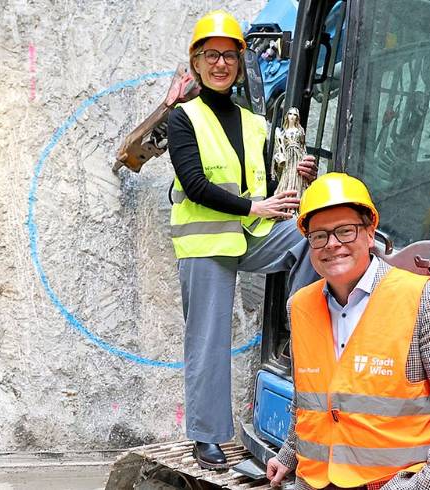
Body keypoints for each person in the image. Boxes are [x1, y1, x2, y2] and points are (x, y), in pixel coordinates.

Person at [265, 174, 430, 490]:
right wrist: (288, 455)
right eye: (319, 235)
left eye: (345, 231)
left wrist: (427, 484)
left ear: (370, 232)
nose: (332, 244)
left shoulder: (422, 298)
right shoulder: (300, 305)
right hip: (314, 482)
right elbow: (311, 401)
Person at [167, 9, 318, 470]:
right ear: (196, 62)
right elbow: (195, 184)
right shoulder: (183, 119)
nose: (220, 64)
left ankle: (303, 328)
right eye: (210, 55)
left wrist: (296, 174)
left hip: (249, 234)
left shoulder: (254, 122)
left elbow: (266, 186)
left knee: (312, 235)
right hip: (207, 244)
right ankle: (207, 436)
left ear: (238, 61)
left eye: (228, 55)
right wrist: (256, 207)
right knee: (208, 341)